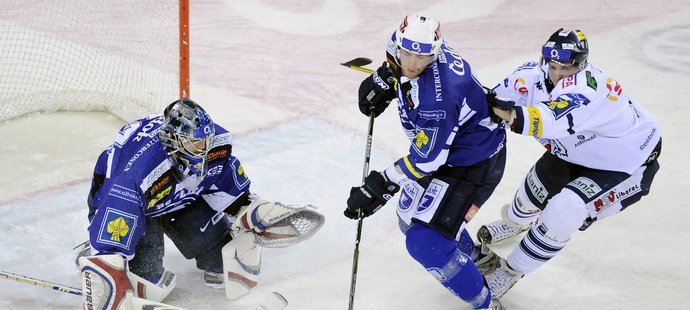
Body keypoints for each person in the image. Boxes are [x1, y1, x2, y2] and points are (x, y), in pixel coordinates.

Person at [77, 98, 324, 309]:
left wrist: (253, 212)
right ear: (174, 142)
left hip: (179, 199)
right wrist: (107, 265)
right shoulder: (134, 179)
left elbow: (233, 194)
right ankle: (98, 244)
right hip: (138, 209)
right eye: (196, 144)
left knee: (222, 265)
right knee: (147, 284)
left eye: (204, 141)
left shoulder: (213, 147)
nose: (204, 149)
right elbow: (119, 209)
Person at [475, 28, 662, 299]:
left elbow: (549, 119)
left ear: (581, 64)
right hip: (576, 150)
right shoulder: (528, 77)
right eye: (553, 65)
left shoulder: (592, 89)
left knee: (563, 212)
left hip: (626, 162)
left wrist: (509, 113)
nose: (558, 73)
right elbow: (492, 102)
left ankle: (513, 270)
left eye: (566, 67)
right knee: (531, 193)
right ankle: (516, 223)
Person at [344, 13, 507, 310]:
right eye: (407, 53)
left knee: (426, 244)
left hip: (474, 163)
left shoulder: (438, 97)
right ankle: (476, 259)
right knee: (409, 218)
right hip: (449, 151)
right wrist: (387, 76)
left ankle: (486, 304)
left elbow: (427, 160)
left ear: (435, 51)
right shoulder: (414, 47)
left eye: (422, 57)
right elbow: (403, 63)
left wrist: (381, 183)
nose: (413, 63)